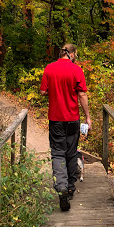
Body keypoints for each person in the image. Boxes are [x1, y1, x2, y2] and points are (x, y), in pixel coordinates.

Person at [40, 43, 91, 211]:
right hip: (72, 119)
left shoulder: (49, 68)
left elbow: (43, 92)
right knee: (71, 152)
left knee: (57, 153)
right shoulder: (76, 70)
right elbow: (82, 94)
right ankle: (69, 187)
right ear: (72, 53)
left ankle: (61, 186)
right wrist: (88, 117)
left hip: (56, 119)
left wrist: (55, 90)